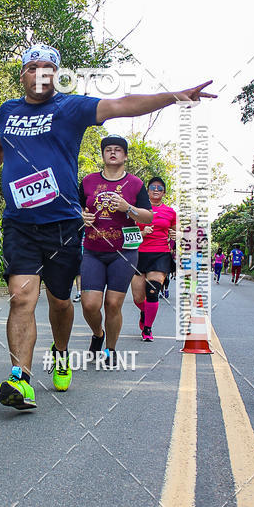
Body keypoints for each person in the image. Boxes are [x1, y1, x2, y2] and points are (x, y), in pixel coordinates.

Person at [0, 41, 216, 411]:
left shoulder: (70, 107)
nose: (40, 74)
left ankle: (61, 351)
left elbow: (123, 104)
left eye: (48, 69)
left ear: (56, 75)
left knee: (60, 301)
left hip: (63, 225)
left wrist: (174, 97)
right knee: (21, 298)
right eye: (33, 67)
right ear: (22, 75)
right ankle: (21, 379)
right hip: (19, 223)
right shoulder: (8, 110)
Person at [80, 138, 153, 359]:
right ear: (102, 155)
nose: (112, 153)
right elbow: (75, 208)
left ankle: (110, 349)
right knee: (90, 304)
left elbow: (148, 217)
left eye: (118, 150)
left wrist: (128, 208)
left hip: (124, 252)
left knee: (113, 304)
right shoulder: (88, 181)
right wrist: (81, 216)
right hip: (92, 250)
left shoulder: (135, 184)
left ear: (125, 156)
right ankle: (98, 334)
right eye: (108, 150)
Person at [130, 176, 177, 342]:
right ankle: (145, 312)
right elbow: (127, 233)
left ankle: (147, 329)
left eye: (160, 188)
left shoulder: (170, 212)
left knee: (152, 291)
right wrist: (142, 233)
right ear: (147, 191)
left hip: (160, 254)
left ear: (164, 192)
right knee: (138, 298)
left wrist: (176, 234)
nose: (156, 190)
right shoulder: (136, 210)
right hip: (139, 254)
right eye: (152, 187)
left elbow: (177, 232)